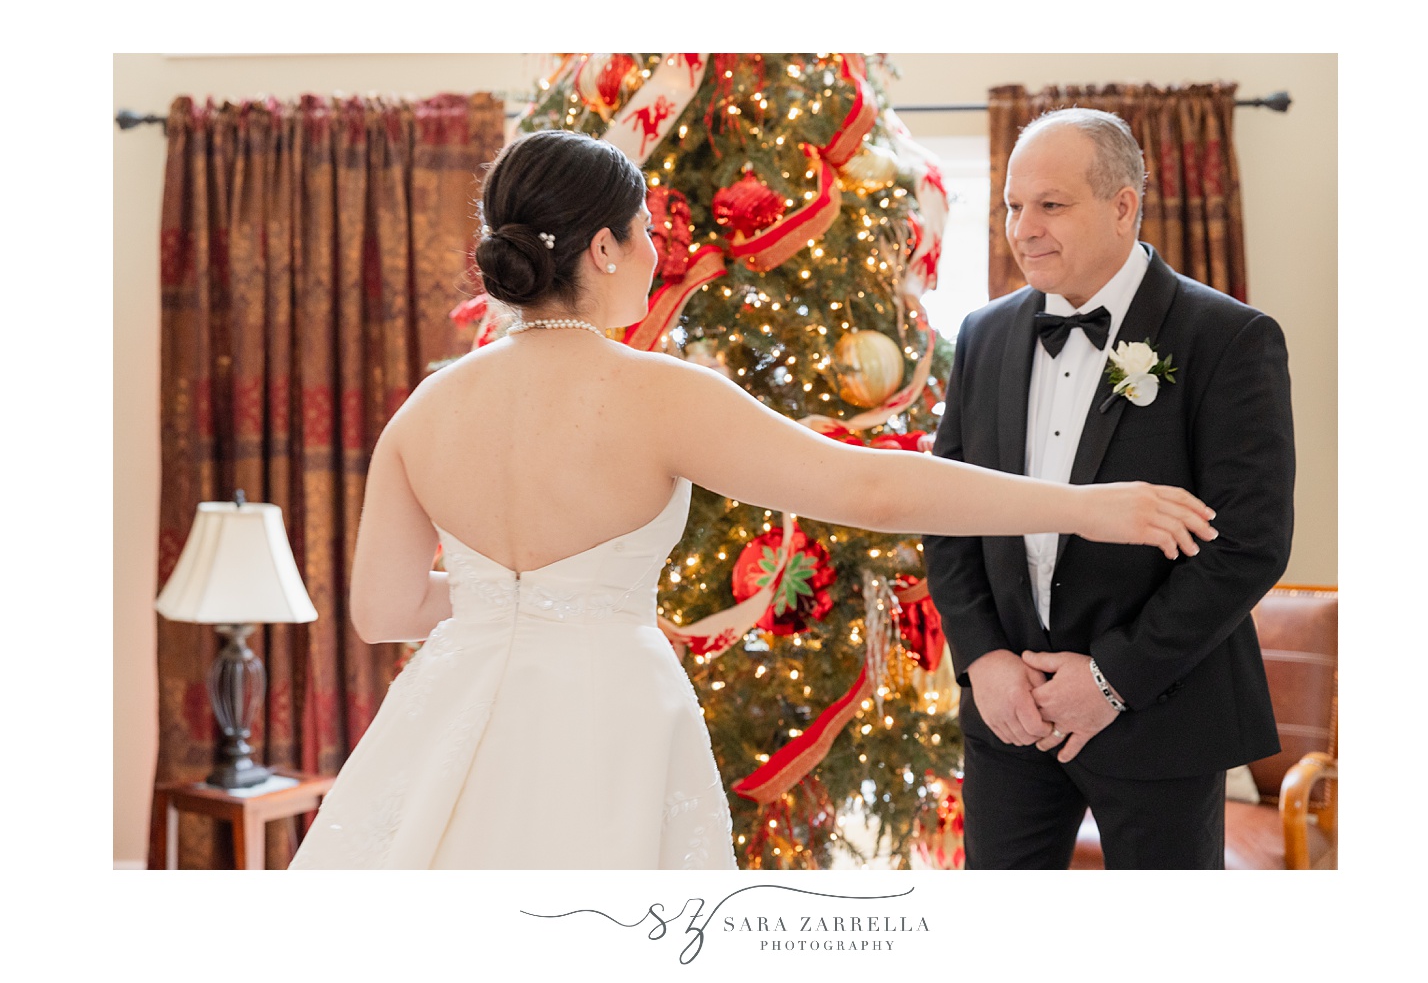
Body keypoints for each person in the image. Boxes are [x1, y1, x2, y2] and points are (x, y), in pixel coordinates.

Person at [289, 129, 1217, 870]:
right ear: (604, 246)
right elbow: (868, 486)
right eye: (648, 229)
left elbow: (383, 611)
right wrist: (1087, 507)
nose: (658, 250)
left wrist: (517, 596)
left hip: (449, 723)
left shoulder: (424, 408)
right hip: (603, 721)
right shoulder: (656, 392)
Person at [923, 108, 1294, 870]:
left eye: (1049, 204)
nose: (1022, 227)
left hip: (1160, 710)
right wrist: (984, 658)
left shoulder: (1228, 338)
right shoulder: (984, 334)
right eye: (1010, 206)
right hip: (1009, 713)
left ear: (1123, 205)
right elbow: (946, 507)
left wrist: (1109, 680)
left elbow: (1249, 543)